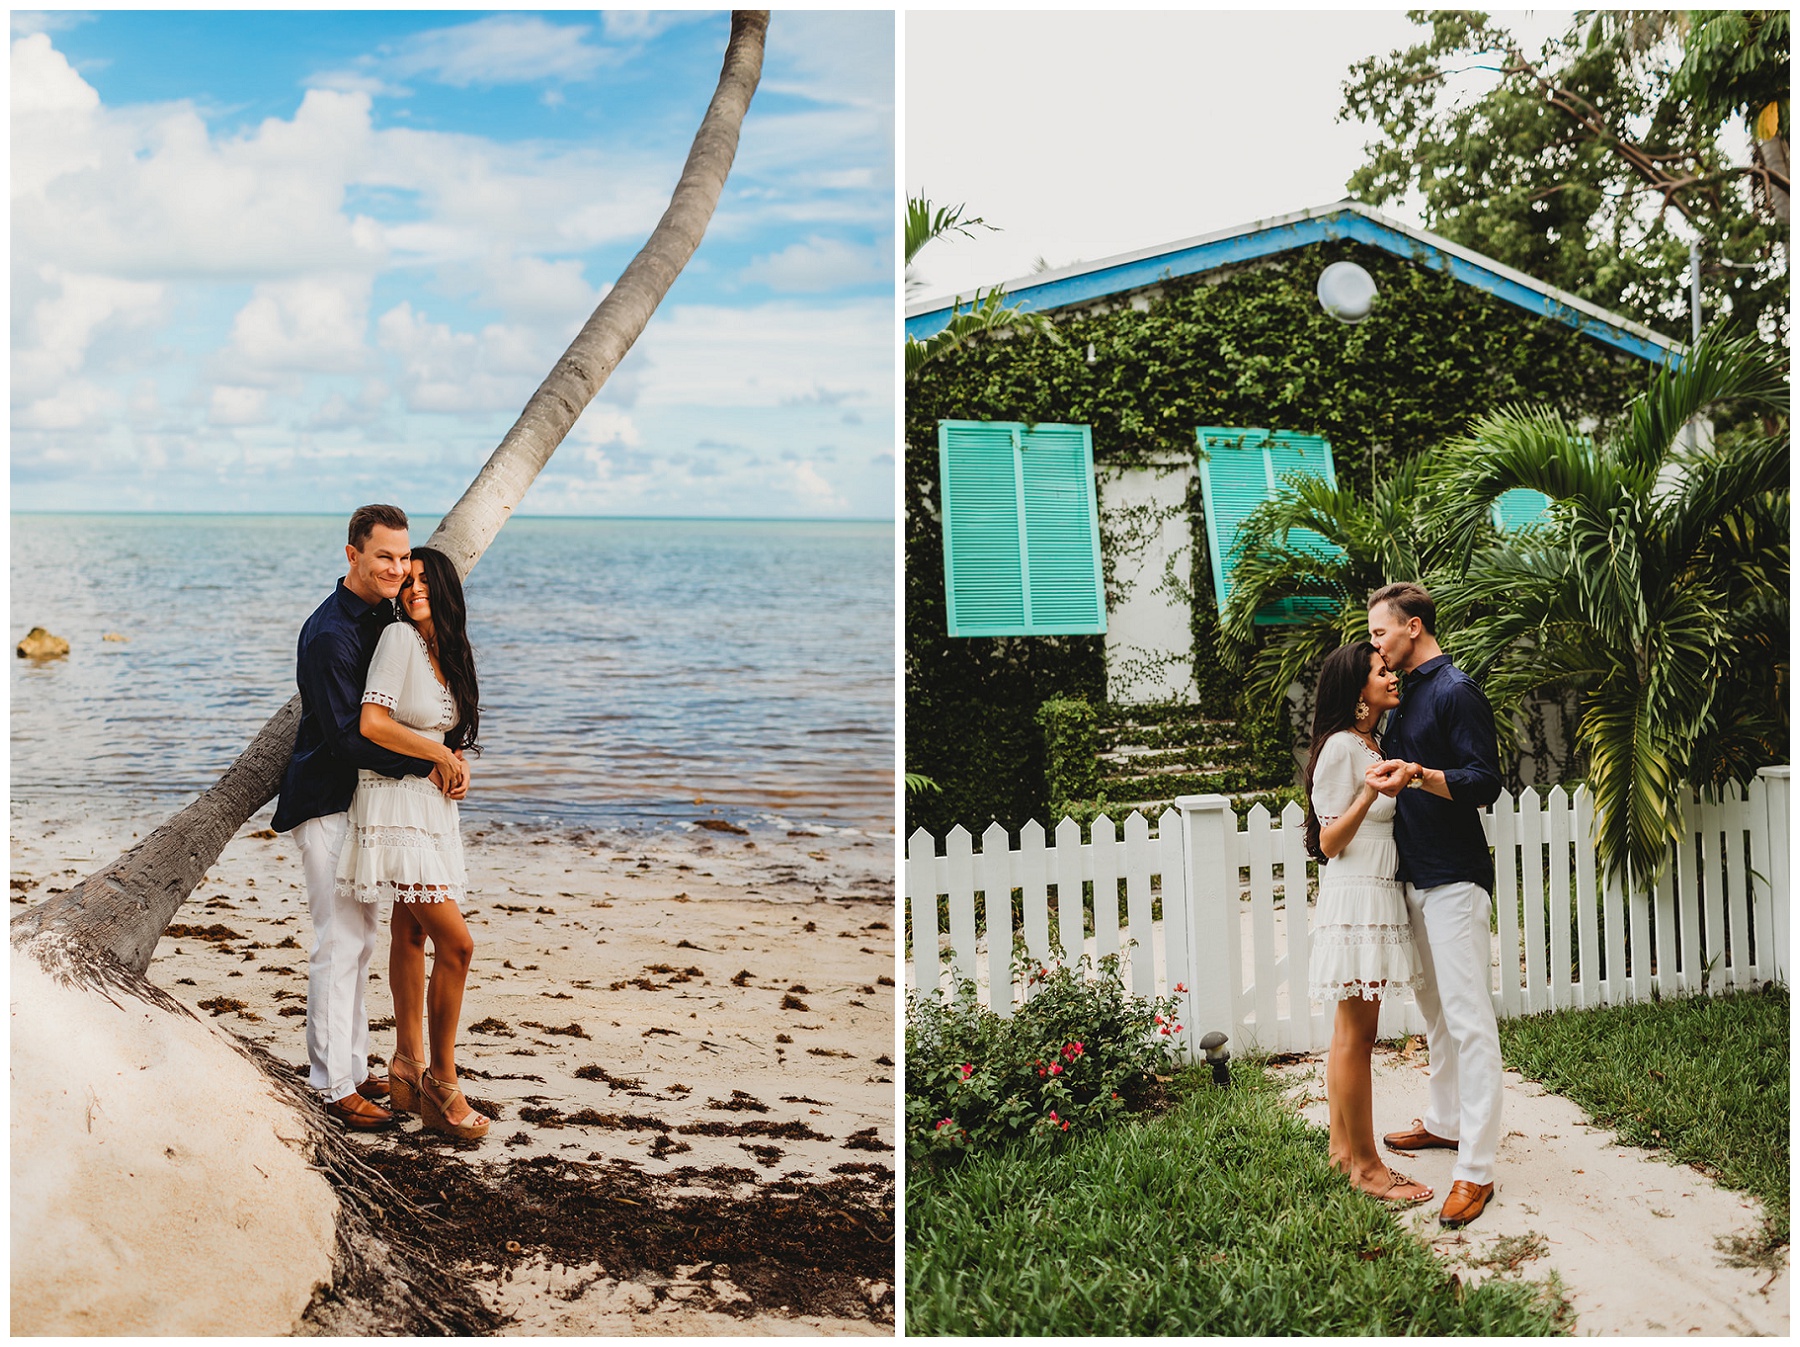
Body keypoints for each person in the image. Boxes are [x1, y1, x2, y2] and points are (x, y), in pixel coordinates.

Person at [272, 504, 461, 1131]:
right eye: (384, 556)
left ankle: (354, 1068)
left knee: (362, 940)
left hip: (363, 806)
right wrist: (430, 762)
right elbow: (350, 738)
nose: (397, 569)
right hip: (325, 801)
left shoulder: (385, 613)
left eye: (403, 557)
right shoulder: (330, 632)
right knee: (341, 941)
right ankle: (331, 1086)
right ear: (352, 554)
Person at [335, 545, 492, 1141]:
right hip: (394, 802)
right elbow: (371, 723)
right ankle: (443, 1082)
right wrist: (438, 753)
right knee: (457, 945)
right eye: (407, 580)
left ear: (447, 590)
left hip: (428, 806)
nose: (412, 588)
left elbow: (440, 733)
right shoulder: (399, 639)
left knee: (411, 932)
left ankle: (406, 1065)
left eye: (424, 580)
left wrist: (454, 762)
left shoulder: (444, 650)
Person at [1365, 581, 1504, 1230]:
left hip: (1455, 879)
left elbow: (1484, 783)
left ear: (1413, 626)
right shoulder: (1407, 695)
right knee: (1437, 1015)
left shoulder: (1455, 691)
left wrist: (1419, 774)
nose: (1376, 644)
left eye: (1380, 632)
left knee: (1470, 1021)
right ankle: (1446, 1122)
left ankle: (1475, 1169)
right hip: (1416, 877)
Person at [1303, 641, 1430, 1207]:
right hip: (1355, 895)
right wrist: (1369, 793)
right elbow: (1329, 841)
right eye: (1382, 671)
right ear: (1357, 691)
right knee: (1358, 1036)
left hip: (1376, 891)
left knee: (1347, 1034)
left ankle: (1340, 1150)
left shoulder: (1370, 742)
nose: (1392, 676)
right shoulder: (1340, 749)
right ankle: (1368, 1168)